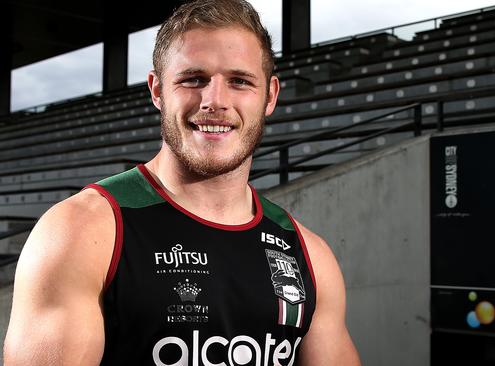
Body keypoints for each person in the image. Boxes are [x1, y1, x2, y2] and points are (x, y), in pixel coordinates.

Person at [3, 0, 361, 364]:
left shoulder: (309, 255)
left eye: (239, 81)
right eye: (193, 79)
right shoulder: (82, 231)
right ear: (157, 91)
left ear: (269, 96)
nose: (214, 101)